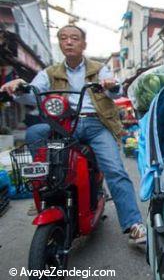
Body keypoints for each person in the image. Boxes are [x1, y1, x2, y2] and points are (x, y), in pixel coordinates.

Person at [0, 25, 146, 244]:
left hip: (96, 124)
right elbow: (33, 91)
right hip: (64, 125)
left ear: (83, 44)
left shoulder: (99, 68)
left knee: (116, 170)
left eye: (74, 38)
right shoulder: (49, 72)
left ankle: (134, 224)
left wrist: (110, 85)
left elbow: (115, 90)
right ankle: (43, 189)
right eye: (63, 38)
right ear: (60, 43)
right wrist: (18, 85)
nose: (69, 41)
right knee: (35, 133)